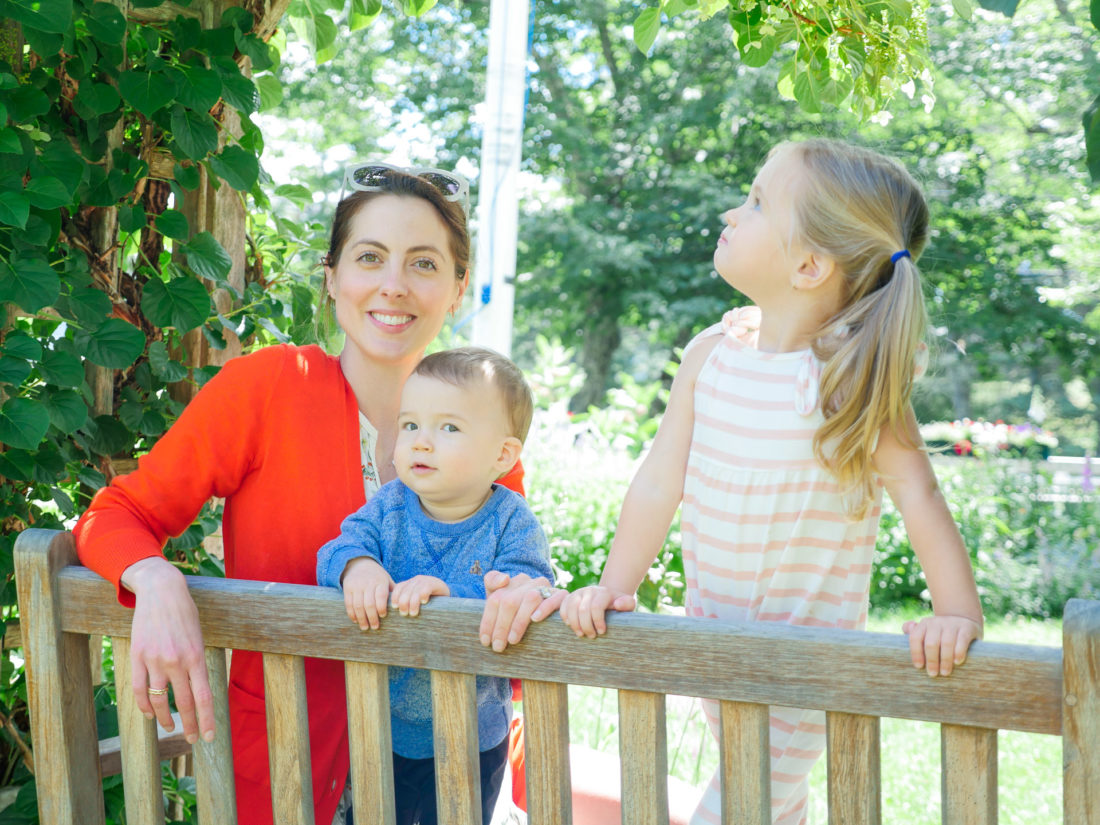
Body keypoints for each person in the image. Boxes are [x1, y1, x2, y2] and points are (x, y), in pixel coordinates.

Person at [72, 162, 565, 825]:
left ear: (457, 289)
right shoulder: (267, 386)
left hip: (439, 780)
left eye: (423, 263)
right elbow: (116, 513)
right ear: (333, 277)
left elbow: (512, 584)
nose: (393, 285)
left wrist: (526, 595)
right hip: (289, 768)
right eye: (370, 257)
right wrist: (155, 580)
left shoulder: (485, 429)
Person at [559, 139, 984, 825]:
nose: (734, 208)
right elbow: (658, 479)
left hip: (802, 663)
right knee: (770, 806)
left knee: (738, 805)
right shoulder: (711, 354)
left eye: (757, 202)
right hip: (713, 643)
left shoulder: (850, 381)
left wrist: (957, 612)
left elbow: (919, 493)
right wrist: (617, 582)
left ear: (810, 264)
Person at [317, 346, 553, 825]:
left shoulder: (512, 520)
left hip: (473, 737)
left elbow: (532, 588)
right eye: (410, 425)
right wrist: (358, 567)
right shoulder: (390, 506)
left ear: (502, 455)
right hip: (385, 729)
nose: (421, 442)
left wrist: (459, 599)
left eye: (448, 427)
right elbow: (335, 549)